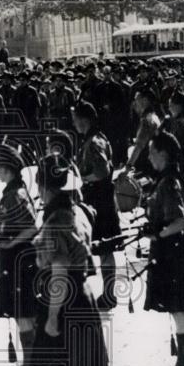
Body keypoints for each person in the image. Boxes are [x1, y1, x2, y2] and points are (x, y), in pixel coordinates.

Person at [30, 153, 108, 366]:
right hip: (84, 295)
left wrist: (51, 316)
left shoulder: (54, 222)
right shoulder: (78, 211)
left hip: (66, 301)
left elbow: (59, 273)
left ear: (44, 185)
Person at [143, 130, 184, 366]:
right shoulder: (165, 180)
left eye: (152, 152)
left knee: (178, 310)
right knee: (175, 310)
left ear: (163, 153)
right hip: (168, 253)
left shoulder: (169, 183)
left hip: (172, 255)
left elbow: (179, 221)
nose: (149, 157)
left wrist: (158, 233)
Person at [0, 145, 40, 366]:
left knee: (24, 315)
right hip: (15, 260)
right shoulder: (14, 191)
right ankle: (27, 364)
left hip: (20, 261)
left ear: (8, 170)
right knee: (23, 314)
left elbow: (32, 227)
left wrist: (11, 242)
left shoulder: (15, 195)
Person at [72, 101, 121, 310]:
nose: (74, 123)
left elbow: (101, 172)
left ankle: (109, 294)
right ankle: (109, 294)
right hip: (101, 198)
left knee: (105, 248)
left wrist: (81, 179)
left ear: (84, 120)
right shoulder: (97, 138)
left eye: (76, 119)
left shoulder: (93, 142)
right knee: (104, 248)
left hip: (99, 199)